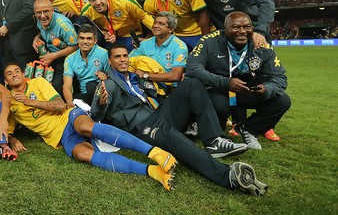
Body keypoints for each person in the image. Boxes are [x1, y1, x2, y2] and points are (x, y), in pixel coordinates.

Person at [90, 44, 268, 195]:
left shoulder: (136, 77)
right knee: (173, 137)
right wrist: (101, 103)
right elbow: (96, 115)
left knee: (191, 83)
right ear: (110, 61)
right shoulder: (108, 84)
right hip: (142, 128)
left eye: (125, 56)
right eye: (117, 57)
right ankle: (227, 176)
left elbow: (155, 93)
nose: (122, 60)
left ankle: (214, 140)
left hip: (159, 113)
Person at [3, 63, 176, 191]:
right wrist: (12, 138)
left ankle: (156, 153)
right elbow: (6, 128)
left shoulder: (38, 82)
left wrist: (30, 101)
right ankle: (153, 171)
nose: (14, 74)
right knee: (82, 154)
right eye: (9, 73)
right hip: (59, 136)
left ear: (23, 73)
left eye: (17, 71)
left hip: (69, 116)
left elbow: (60, 105)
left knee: (85, 127)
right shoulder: (8, 103)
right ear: (5, 81)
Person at [186, 11, 291, 149]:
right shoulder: (209, 41)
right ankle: (207, 125)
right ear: (225, 28)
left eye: (247, 27)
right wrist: (224, 82)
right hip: (220, 90)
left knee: (282, 101)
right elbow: (192, 68)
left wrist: (266, 89)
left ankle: (249, 129)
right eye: (236, 27)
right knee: (217, 107)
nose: (242, 31)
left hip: (249, 91)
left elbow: (280, 77)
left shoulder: (262, 46)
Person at [84, 0, 154, 52]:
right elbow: (88, 30)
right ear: (88, 0)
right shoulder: (86, 12)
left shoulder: (125, 0)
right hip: (109, 40)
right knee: (102, 56)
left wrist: (158, 33)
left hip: (130, 35)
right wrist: (104, 33)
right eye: (93, 0)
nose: (97, 3)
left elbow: (143, 16)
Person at [129, 11, 188, 88]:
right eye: (155, 22)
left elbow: (176, 76)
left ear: (170, 29)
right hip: (147, 86)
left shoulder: (179, 47)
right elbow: (128, 61)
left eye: (161, 24)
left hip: (171, 90)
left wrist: (145, 75)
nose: (155, 26)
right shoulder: (144, 44)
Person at [32, 0, 78, 94]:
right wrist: (36, 38)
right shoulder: (39, 20)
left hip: (66, 58)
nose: (42, 16)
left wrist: (53, 56)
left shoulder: (63, 25)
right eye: (38, 13)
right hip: (50, 55)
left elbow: (76, 47)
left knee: (57, 86)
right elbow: (42, 30)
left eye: (46, 11)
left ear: (52, 10)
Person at [62, 25, 110, 106]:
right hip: (84, 96)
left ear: (95, 41)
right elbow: (67, 86)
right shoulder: (70, 59)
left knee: (91, 86)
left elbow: (113, 77)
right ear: (77, 39)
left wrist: (105, 76)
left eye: (89, 38)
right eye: (82, 38)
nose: (85, 41)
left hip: (102, 92)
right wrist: (70, 103)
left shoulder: (104, 54)